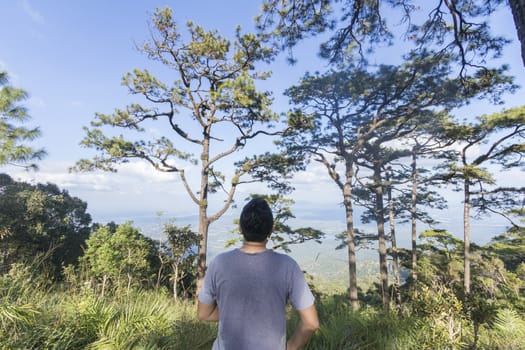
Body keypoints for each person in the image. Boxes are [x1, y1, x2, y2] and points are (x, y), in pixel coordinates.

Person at [197, 197, 319, 350]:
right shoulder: (288, 266)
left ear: (240, 228)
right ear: (271, 229)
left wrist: (236, 311)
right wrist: (290, 347)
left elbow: (204, 314)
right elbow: (311, 323)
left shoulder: (219, 263)